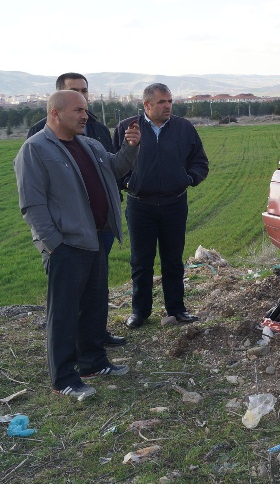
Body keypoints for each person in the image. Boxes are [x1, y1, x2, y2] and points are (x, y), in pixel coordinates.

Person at [15, 90, 140, 400]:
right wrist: (54, 244)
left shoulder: (90, 144)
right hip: (66, 246)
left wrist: (130, 147)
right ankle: (64, 378)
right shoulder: (36, 149)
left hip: (96, 238)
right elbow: (32, 204)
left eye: (85, 110)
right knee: (65, 313)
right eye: (78, 111)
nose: (85, 116)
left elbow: (115, 168)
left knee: (95, 304)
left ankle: (93, 361)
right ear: (55, 114)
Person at [27, 73, 126, 347]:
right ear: (57, 102)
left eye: (85, 92)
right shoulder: (38, 136)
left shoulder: (96, 130)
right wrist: (52, 243)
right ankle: (69, 352)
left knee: (96, 289)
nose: (84, 104)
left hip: (99, 227)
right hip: (66, 235)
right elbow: (34, 197)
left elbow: (110, 168)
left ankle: (94, 341)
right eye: (76, 93)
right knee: (69, 296)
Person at [114, 83, 209, 328]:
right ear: (147, 105)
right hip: (140, 206)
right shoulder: (127, 128)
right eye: (161, 102)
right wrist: (127, 184)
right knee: (141, 261)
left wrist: (187, 179)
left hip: (174, 204)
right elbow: (113, 163)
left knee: (173, 260)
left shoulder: (183, 128)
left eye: (169, 101)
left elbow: (199, 161)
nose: (167, 106)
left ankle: (176, 309)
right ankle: (140, 312)